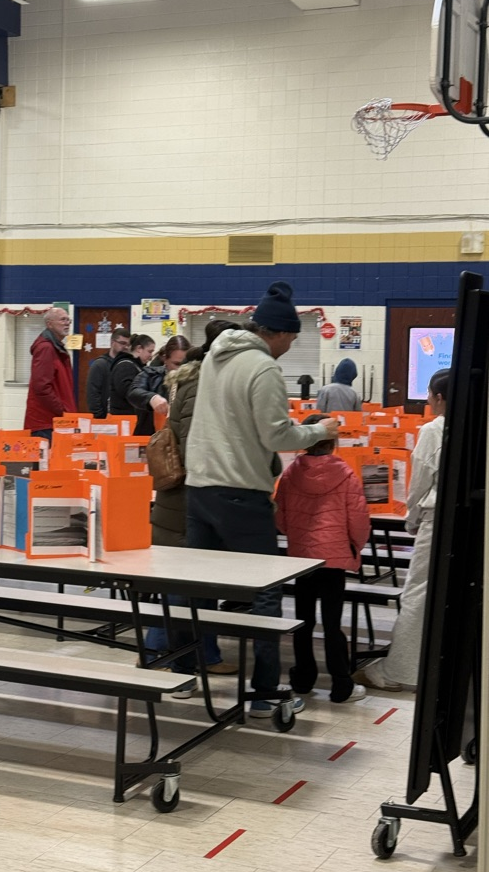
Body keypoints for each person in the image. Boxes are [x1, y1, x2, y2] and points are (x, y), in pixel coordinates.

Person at [185, 282, 339, 714]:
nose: (292, 346)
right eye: (293, 338)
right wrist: (319, 432)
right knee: (265, 591)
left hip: (200, 489)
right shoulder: (263, 367)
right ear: (279, 332)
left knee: (199, 589)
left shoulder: (216, 358)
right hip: (240, 492)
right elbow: (276, 435)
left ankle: (186, 674)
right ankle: (265, 692)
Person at [146, 321, 242, 687]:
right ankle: (175, 654)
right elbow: (194, 444)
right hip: (190, 493)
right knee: (188, 581)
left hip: (174, 492)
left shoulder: (187, 379)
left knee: (181, 580)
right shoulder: (208, 383)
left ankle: (172, 653)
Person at [356, 368, 449, 691]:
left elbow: (420, 482)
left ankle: (400, 672)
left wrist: (411, 519)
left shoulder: (435, 429)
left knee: (418, 595)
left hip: (436, 520)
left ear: (438, 398)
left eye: (428, 394)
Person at [274, 413, 371, 703]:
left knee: (303, 620)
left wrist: (298, 537)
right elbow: (359, 520)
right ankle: (341, 684)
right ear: (334, 441)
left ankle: (303, 679)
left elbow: (280, 517)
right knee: (331, 623)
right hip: (334, 560)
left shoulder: (291, 473)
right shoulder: (346, 474)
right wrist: (355, 546)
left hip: (303, 558)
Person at [23, 307, 76, 440]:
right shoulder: (46, 348)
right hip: (46, 423)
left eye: (68, 320)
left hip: (55, 422)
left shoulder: (56, 347)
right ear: (49, 324)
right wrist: (62, 410)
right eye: (63, 319)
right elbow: (41, 387)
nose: (67, 323)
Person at [127, 335, 190, 437]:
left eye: (185, 364)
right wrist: (151, 398)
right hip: (150, 438)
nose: (181, 369)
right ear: (165, 359)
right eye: (176, 364)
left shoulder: (193, 380)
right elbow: (133, 392)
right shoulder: (150, 374)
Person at [85, 328, 131, 418]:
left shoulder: (127, 365)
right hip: (104, 418)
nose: (126, 347)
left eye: (128, 344)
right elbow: (93, 394)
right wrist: (99, 417)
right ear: (112, 342)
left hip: (124, 417)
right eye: (122, 343)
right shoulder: (99, 365)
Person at [108, 334, 155, 416]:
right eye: (149, 351)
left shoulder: (138, 366)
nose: (151, 356)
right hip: (125, 417)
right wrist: (150, 398)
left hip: (133, 417)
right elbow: (128, 393)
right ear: (139, 349)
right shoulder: (125, 366)